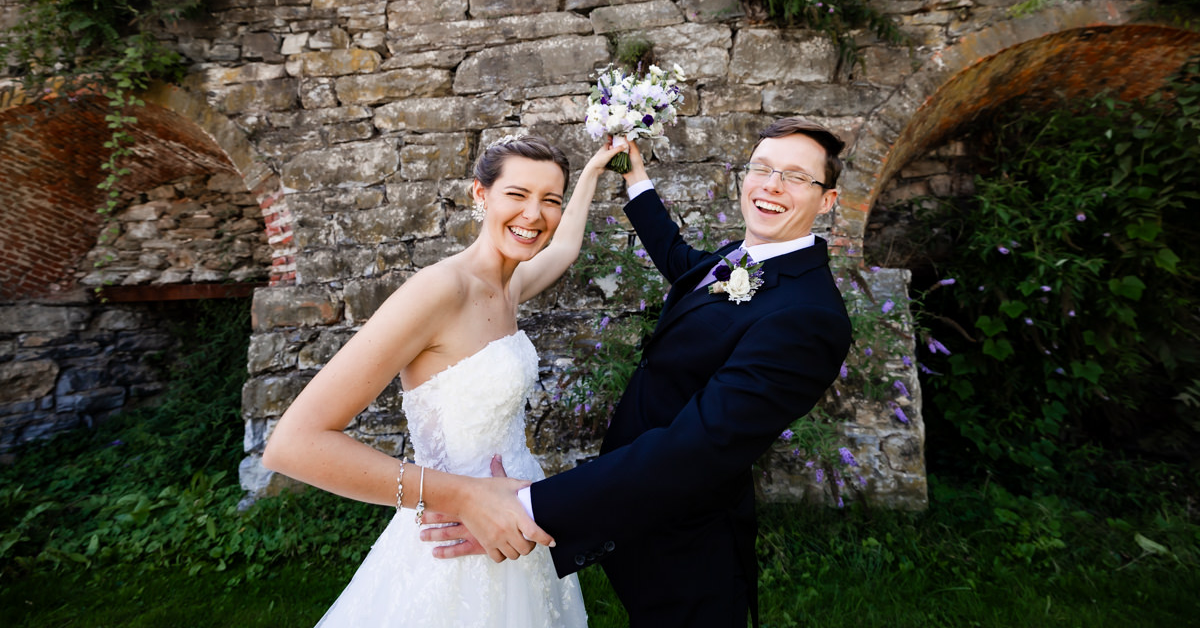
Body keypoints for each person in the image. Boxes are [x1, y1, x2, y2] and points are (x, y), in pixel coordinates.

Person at [422, 117, 853, 627]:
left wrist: (529, 508)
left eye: (797, 177)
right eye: (762, 168)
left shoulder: (809, 314)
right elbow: (681, 263)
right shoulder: (742, 260)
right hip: (639, 517)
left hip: (688, 542)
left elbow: (701, 444)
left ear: (827, 200)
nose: (772, 185)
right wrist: (635, 179)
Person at [262, 134, 626, 628]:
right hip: (454, 538)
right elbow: (292, 444)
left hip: (517, 526)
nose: (534, 215)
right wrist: (462, 495)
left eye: (550, 200)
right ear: (481, 194)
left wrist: (594, 172)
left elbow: (563, 246)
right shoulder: (439, 291)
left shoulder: (508, 283)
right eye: (517, 195)